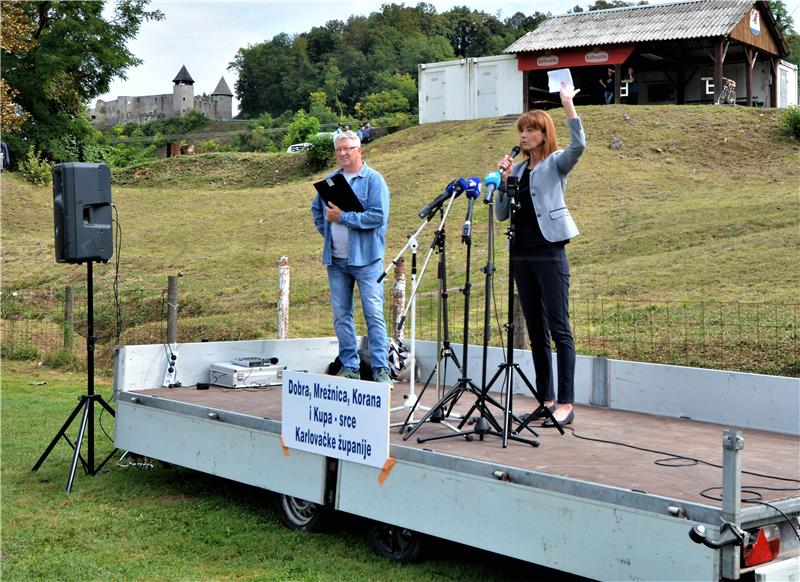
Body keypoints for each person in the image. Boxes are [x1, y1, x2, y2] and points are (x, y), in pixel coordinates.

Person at [495, 83, 586, 426]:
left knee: (559, 327)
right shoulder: (516, 171)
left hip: (549, 251)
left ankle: (565, 402)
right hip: (520, 254)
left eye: (530, 129)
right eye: (521, 130)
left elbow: (580, 145)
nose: (524, 135)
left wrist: (568, 106)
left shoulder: (555, 164)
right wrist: (504, 179)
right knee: (535, 330)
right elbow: (502, 214)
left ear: (543, 133)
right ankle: (545, 399)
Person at [311, 130, 392, 384]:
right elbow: (317, 210)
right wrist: (328, 231)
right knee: (341, 315)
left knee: (373, 314)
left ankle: (380, 369)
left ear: (359, 150)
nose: (343, 153)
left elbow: (378, 216)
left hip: (367, 260)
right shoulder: (331, 180)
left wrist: (343, 217)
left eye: (348, 148)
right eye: (339, 149)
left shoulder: (373, 180)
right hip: (336, 260)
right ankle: (350, 366)